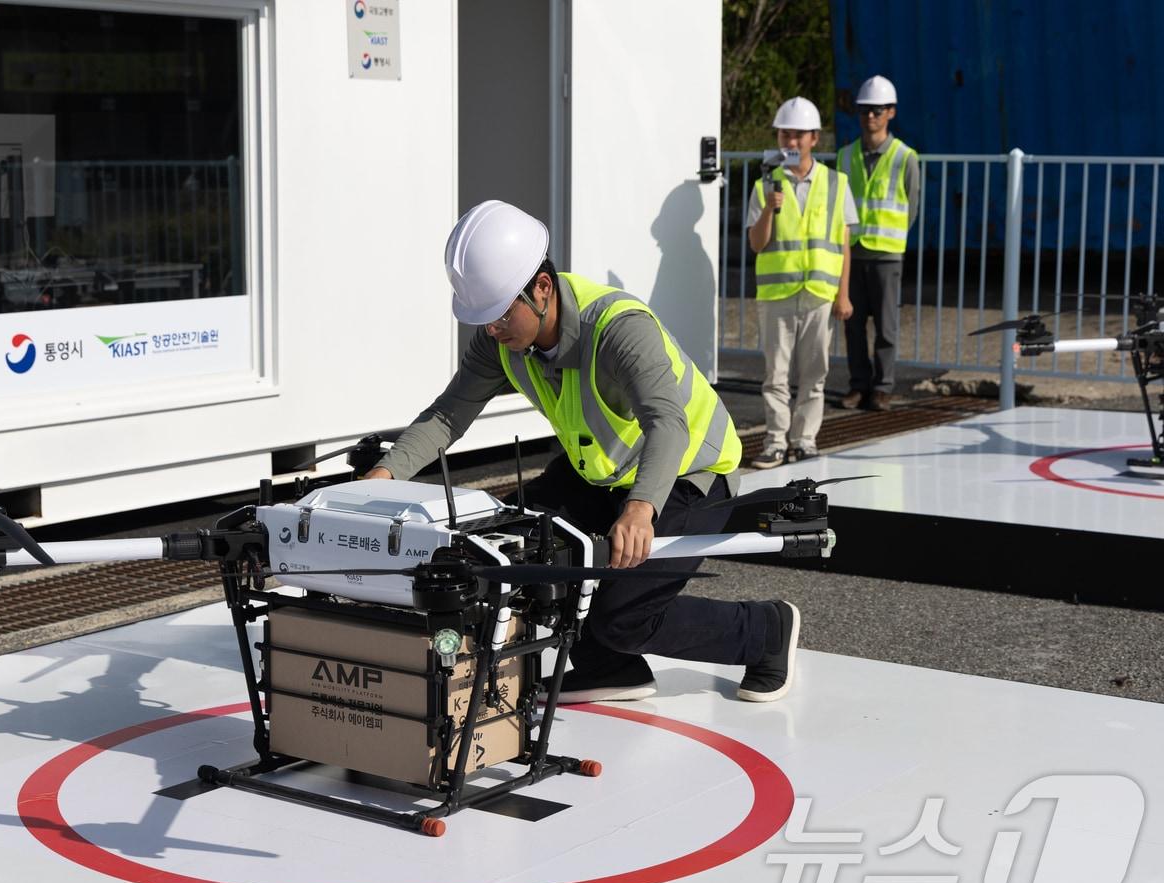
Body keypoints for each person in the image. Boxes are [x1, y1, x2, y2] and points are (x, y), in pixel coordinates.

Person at [364, 200, 800, 704]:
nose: (491, 330)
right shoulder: (501, 340)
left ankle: (765, 631)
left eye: (501, 314)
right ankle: (610, 666)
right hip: (604, 472)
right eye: (483, 319)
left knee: (624, 616)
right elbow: (448, 415)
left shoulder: (618, 327)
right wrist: (382, 475)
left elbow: (668, 424)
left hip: (691, 472)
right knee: (513, 544)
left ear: (542, 289)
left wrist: (640, 509)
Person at [746, 97, 858, 469]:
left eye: (798, 135)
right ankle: (776, 442)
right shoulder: (765, 183)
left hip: (820, 294)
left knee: (815, 375)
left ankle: (805, 440)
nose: (790, 142)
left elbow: (842, 242)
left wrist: (843, 294)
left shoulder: (837, 183)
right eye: (784, 134)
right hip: (777, 294)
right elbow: (756, 243)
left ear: (814, 138)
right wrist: (768, 209)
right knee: (774, 375)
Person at [836, 75, 920, 412]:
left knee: (886, 328)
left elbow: (910, 207)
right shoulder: (845, 156)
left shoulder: (904, 157)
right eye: (864, 110)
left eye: (877, 110)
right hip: (851, 254)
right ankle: (859, 385)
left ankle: (882, 388)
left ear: (891, 112)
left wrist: (892, 239)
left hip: (886, 254)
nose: (870, 116)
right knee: (853, 327)